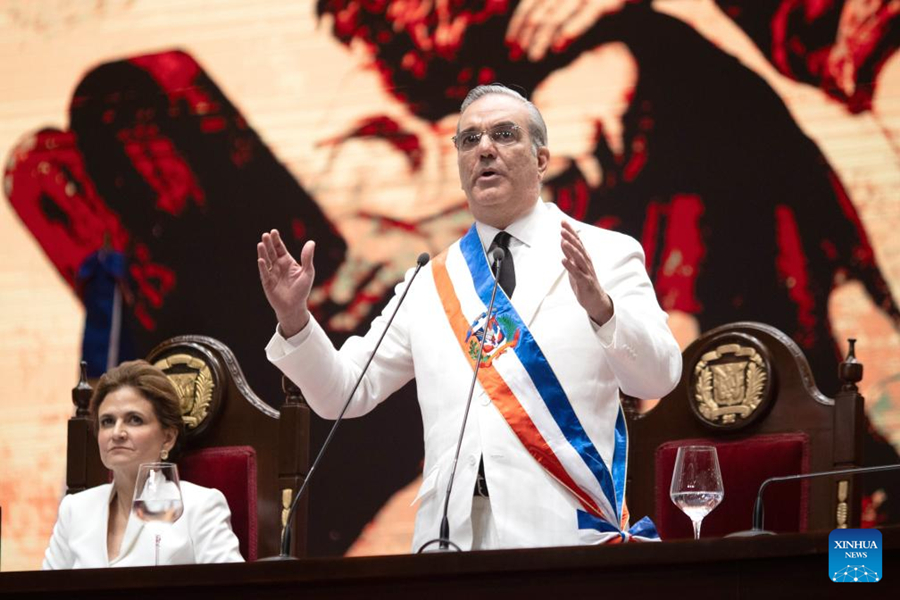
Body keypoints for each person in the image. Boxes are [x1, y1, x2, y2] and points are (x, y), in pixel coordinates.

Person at [259, 84, 682, 550]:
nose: (485, 149)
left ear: (542, 159)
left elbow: (659, 377)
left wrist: (602, 310)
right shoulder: (430, 281)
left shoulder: (606, 253)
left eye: (504, 134)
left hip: (565, 535)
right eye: (469, 139)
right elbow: (343, 394)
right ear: (460, 164)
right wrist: (295, 319)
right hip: (451, 542)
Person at [42, 360, 244, 568]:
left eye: (134, 420)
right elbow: (47, 590)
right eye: (107, 422)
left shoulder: (200, 505)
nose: (117, 433)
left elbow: (232, 590)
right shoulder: (74, 508)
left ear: (167, 438)